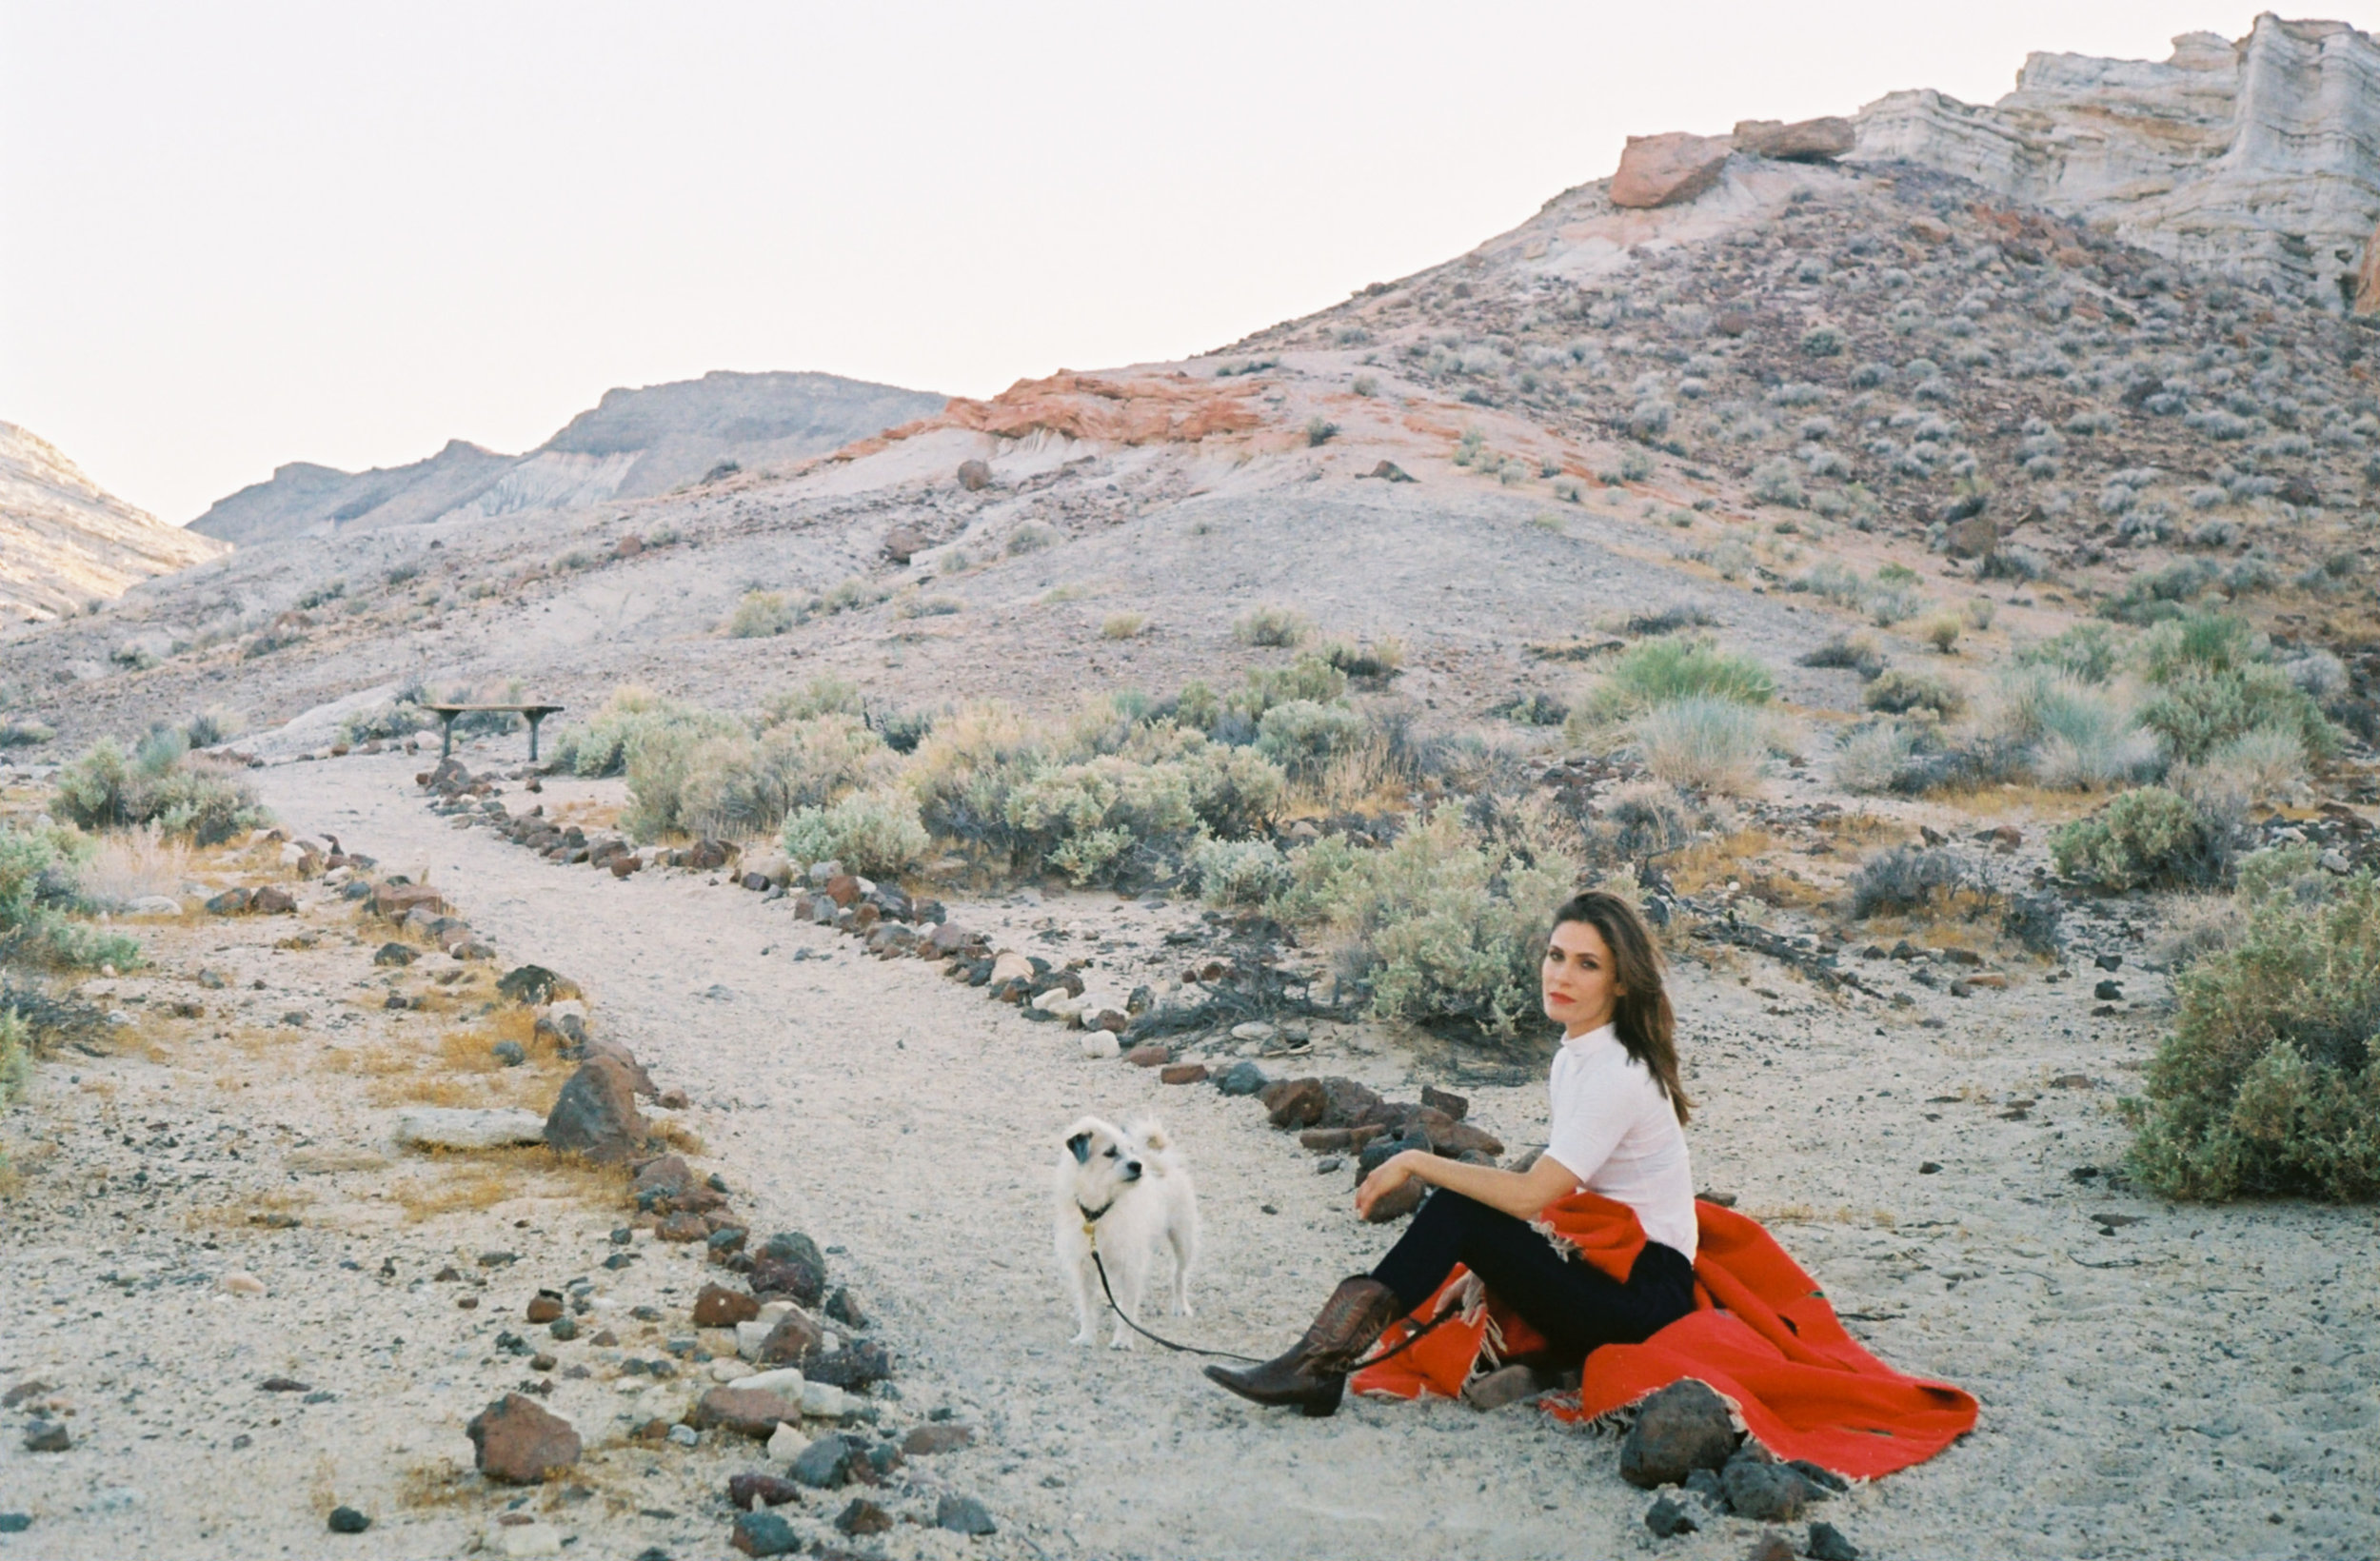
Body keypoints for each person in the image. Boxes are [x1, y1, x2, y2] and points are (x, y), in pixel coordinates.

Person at [1204, 889, 1698, 1416]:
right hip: (1608, 1273)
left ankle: (1317, 1368)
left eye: (1587, 964)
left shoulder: (1617, 1074)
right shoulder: (1574, 1059)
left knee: (1456, 1207)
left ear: (1620, 982)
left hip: (1645, 1299)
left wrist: (1416, 1161)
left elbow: (1533, 1195)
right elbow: (1570, 1195)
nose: (1561, 977)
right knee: (1466, 1218)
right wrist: (1487, 1265)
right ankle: (1323, 1365)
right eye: (1555, 956)